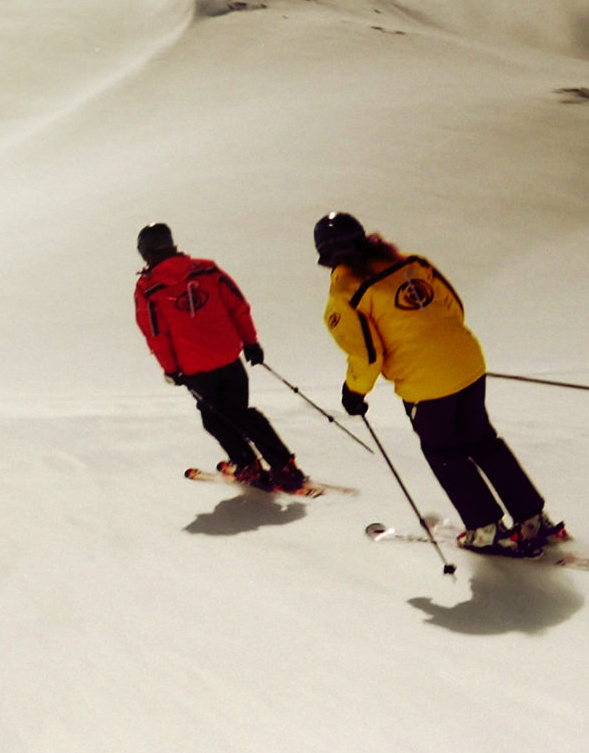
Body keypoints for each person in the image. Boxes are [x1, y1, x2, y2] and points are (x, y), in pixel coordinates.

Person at [313, 212, 562, 554]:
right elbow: (454, 307)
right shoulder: (412, 263)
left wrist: (354, 392)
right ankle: (533, 517)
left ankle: (486, 528)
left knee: (444, 452)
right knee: (483, 441)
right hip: (468, 363)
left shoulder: (345, 296)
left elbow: (368, 356)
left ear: (327, 257)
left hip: (426, 386)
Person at [133, 223, 307, 493]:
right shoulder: (207, 269)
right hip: (229, 357)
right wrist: (251, 342)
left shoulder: (149, 289)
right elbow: (237, 306)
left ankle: (247, 465)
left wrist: (171, 369)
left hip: (195, 369)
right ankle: (283, 465)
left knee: (214, 418)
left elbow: (156, 335)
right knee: (241, 413)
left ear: (145, 253)